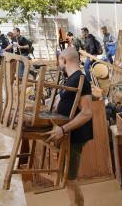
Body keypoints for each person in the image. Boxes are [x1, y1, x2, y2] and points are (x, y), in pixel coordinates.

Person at [44, 47, 93, 206]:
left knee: (70, 180)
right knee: (67, 180)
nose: (59, 65)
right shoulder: (71, 80)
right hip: (68, 136)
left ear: (63, 60)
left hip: (74, 136)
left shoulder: (81, 79)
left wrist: (63, 129)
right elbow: (63, 106)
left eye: (59, 61)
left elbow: (86, 113)